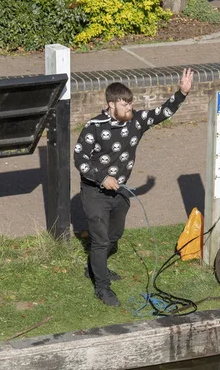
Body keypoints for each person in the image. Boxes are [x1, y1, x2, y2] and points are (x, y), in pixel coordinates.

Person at [74, 69, 194, 306]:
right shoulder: (94, 127)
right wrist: (101, 177)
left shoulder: (136, 121)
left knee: (114, 235)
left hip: (121, 191)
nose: (130, 109)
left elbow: (161, 113)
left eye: (131, 104)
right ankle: (102, 287)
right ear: (111, 105)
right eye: (124, 105)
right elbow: (80, 160)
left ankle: (94, 268)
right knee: (99, 241)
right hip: (95, 192)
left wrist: (181, 93)